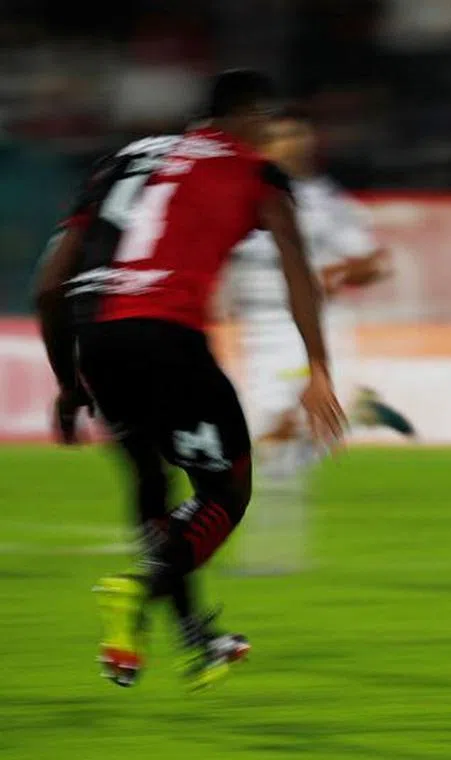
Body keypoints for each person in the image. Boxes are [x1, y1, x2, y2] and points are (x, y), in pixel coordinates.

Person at [34, 69, 345, 690]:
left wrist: (69, 381)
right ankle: (141, 588)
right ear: (248, 116)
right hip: (166, 338)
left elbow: (49, 283)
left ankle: (193, 639)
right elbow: (296, 266)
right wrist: (318, 366)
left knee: (153, 477)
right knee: (225, 489)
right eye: (265, 121)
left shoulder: (121, 160)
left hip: (98, 339)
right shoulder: (254, 171)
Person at [223, 106, 413, 575]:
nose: (287, 143)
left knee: (279, 438)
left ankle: (271, 558)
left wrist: (337, 272)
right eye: (277, 135)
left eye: (294, 135)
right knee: (274, 438)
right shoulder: (243, 194)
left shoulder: (326, 204)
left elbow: (376, 262)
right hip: (258, 331)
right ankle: (359, 411)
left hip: (306, 331)